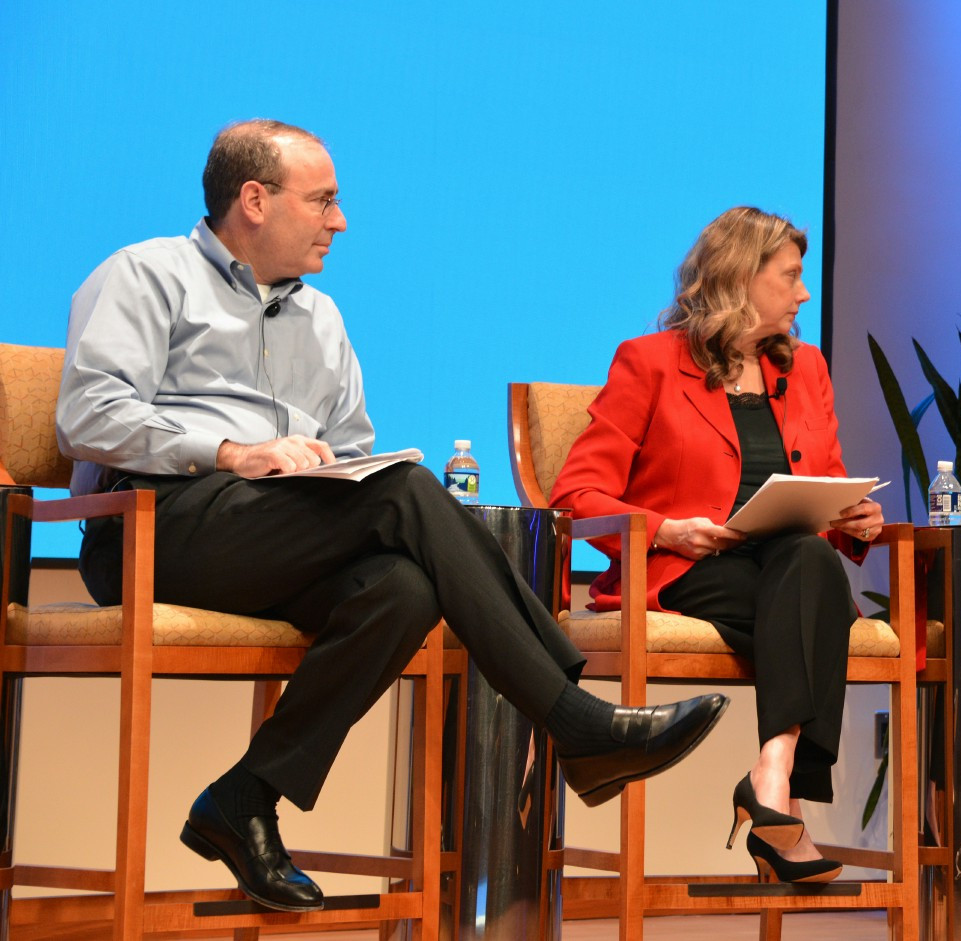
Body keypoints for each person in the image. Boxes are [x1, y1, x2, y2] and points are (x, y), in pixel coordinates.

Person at [56, 119, 728, 913]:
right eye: (324, 201)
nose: (339, 222)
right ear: (254, 200)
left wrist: (330, 470)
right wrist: (232, 448)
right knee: (405, 490)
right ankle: (575, 719)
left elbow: (351, 457)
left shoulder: (323, 319)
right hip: (154, 525)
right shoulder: (145, 275)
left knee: (402, 587)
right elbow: (89, 416)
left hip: (268, 531)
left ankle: (245, 796)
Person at [550, 206, 884, 883]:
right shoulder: (648, 363)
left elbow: (823, 483)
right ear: (740, 277)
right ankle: (780, 800)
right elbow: (574, 495)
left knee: (810, 555)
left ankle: (772, 773)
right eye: (790, 277)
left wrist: (854, 518)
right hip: (689, 568)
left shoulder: (808, 369)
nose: (803, 293)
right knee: (806, 579)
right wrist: (670, 529)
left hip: (792, 566)